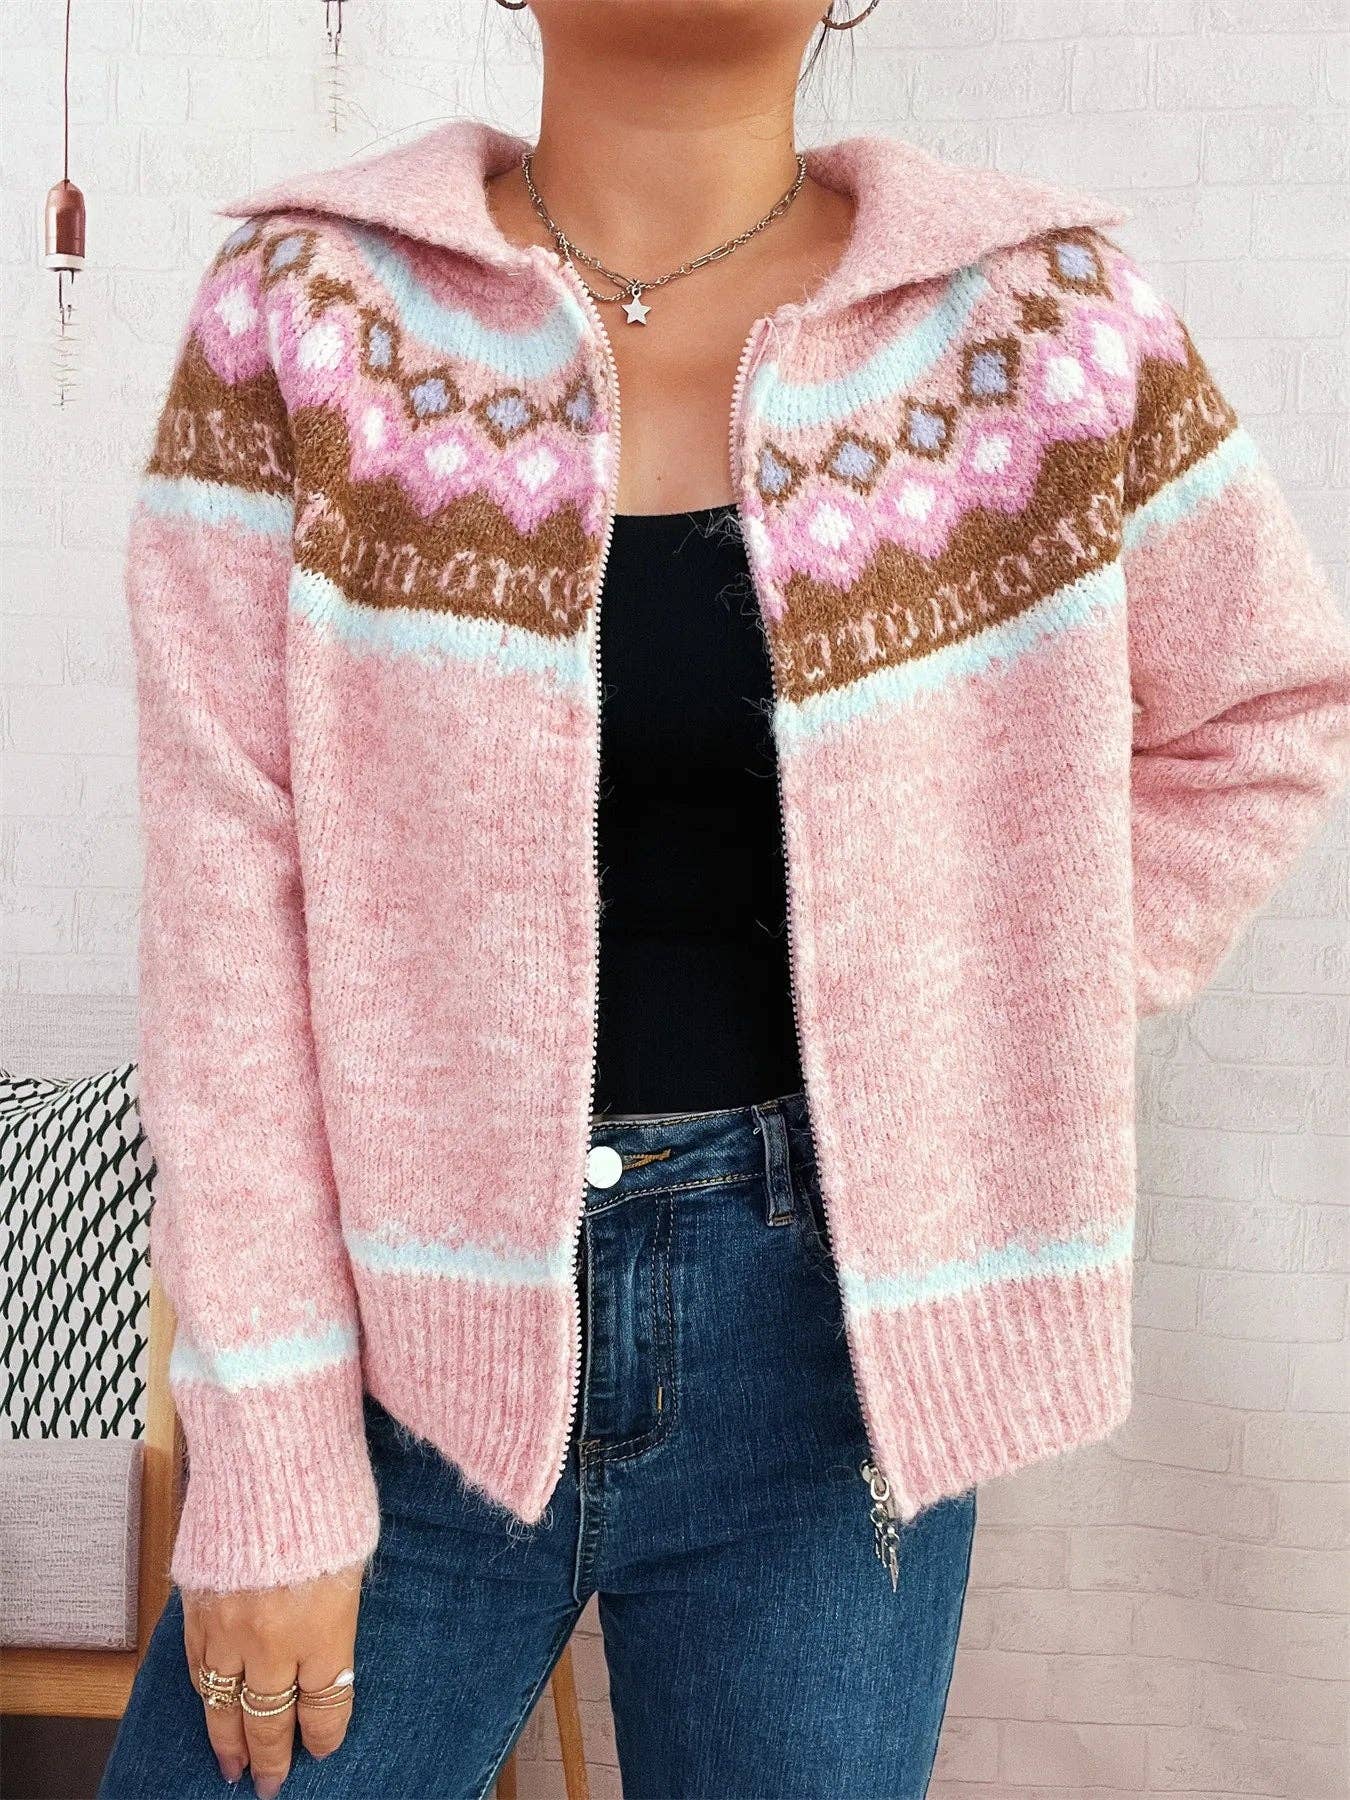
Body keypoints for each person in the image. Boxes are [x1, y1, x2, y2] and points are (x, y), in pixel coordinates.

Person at [99, 2, 1350, 1796]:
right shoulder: (309, 314)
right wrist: (271, 1451)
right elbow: (226, 925)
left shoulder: (1034, 321)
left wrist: (1008, 999)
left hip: (833, 1356)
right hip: (392, 1344)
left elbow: (1265, 711)